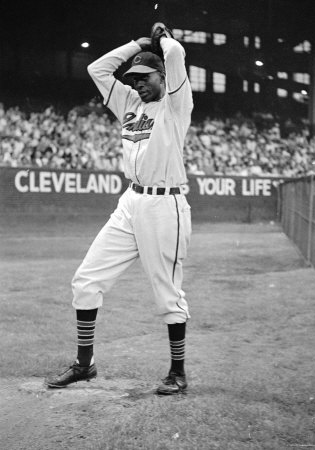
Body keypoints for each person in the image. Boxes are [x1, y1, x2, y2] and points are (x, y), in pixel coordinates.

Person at [45, 23, 194, 395]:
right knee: (86, 280)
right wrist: (135, 44)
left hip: (165, 204)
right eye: (134, 78)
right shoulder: (129, 103)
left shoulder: (176, 104)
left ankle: (177, 373)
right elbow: (96, 69)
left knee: (167, 293)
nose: (139, 83)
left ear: (162, 77)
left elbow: (175, 55)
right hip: (130, 202)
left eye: (145, 77)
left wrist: (160, 41)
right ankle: (84, 364)